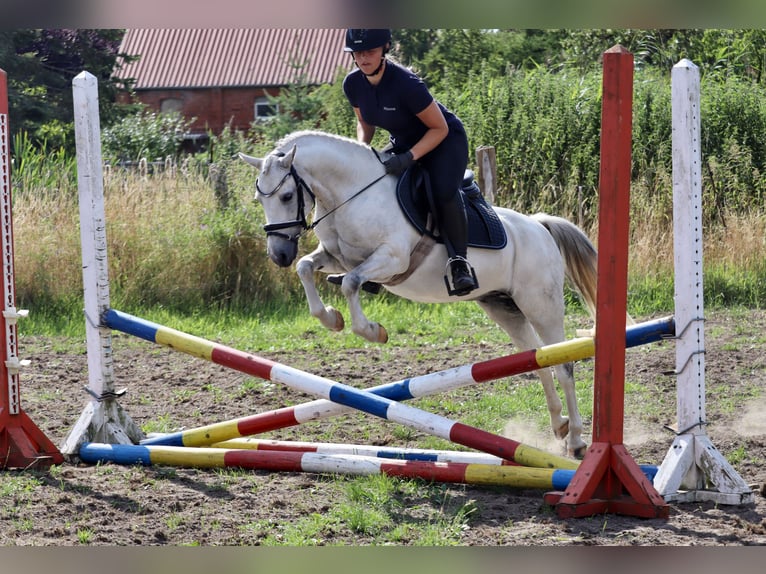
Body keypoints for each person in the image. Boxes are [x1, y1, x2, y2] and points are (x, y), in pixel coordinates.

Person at [341, 28, 478, 296]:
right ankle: (373, 264)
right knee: (373, 184)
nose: (364, 58)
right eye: (358, 53)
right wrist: (362, 152)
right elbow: (364, 122)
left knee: (441, 190)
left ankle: (459, 263)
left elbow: (439, 129)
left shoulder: (406, 84)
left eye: (370, 51)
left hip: (444, 142)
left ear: (385, 49)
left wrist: (409, 157)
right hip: (404, 141)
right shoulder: (352, 84)